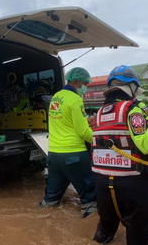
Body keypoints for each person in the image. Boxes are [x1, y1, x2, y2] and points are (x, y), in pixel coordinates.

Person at [91, 65, 148, 245]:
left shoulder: (100, 113)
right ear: (132, 88)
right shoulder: (134, 109)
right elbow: (147, 145)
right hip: (132, 187)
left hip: (103, 187)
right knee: (138, 233)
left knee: (105, 230)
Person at [39, 67, 97, 218]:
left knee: (50, 200)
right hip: (73, 156)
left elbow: (63, 122)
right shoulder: (75, 100)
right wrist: (101, 142)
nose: (85, 87)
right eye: (84, 83)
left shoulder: (56, 97)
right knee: (90, 198)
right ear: (76, 81)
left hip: (54, 155)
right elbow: (83, 132)